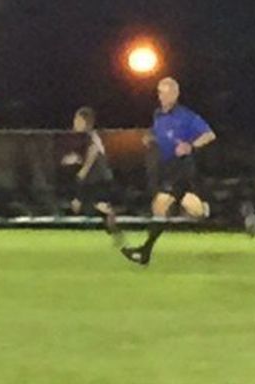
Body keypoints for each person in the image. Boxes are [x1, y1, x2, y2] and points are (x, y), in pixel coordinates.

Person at [121, 77, 216, 266]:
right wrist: (151, 138)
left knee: (160, 206)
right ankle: (229, 212)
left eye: (166, 93)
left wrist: (190, 146)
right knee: (194, 210)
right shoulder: (158, 115)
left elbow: (209, 135)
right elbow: (162, 134)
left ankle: (144, 252)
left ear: (175, 94)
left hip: (182, 169)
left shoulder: (186, 116)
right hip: (167, 168)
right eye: (160, 93)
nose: (162, 97)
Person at [69, 106, 122, 245]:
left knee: (89, 206)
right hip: (97, 179)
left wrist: (83, 170)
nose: (74, 123)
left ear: (85, 122)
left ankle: (109, 215)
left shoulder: (91, 137)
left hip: (98, 179)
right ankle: (114, 231)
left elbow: (93, 153)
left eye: (77, 120)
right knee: (87, 206)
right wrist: (76, 160)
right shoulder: (88, 137)